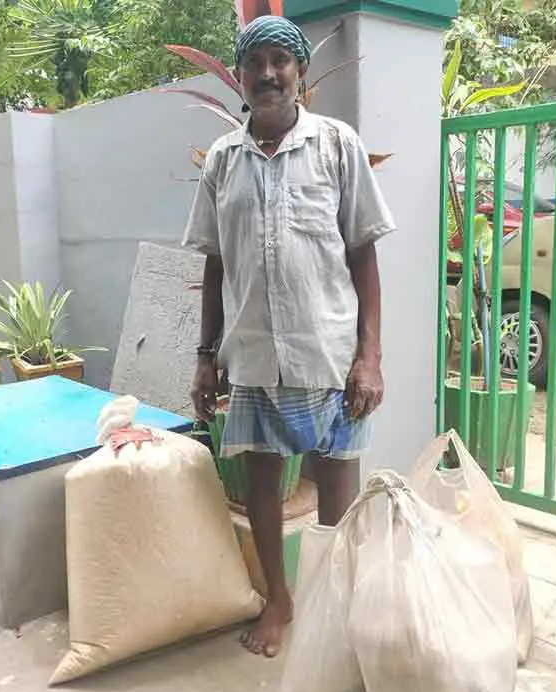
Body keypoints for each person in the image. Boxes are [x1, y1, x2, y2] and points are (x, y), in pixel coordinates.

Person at [182, 14, 396, 658]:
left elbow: (363, 255)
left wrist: (370, 357)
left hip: (328, 356)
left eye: (282, 60)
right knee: (263, 486)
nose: (269, 74)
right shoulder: (223, 160)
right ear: (241, 77)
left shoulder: (336, 145)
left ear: (301, 73)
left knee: (338, 487)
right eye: (256, 63)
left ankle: (336, 603)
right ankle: (280, 598)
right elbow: (216, 262)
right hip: (251, 357)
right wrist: (204, 357)